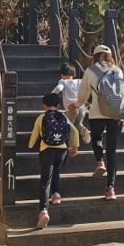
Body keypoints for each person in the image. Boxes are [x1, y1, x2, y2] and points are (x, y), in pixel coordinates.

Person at [68, 44, 123, 200]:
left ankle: (99, 161)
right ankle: (110, 189)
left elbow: (83, 95)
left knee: (97, 137)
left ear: (94, 57)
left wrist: (76, 105)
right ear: (110, 56)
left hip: (97, 113)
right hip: (116, 114)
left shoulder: (90, 71)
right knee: (112, 151)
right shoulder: (117, 70)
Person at [28, 93, 79, 228]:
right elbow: (75, 132)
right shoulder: (64, 117)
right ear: (58, 105)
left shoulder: (41, 117)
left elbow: (35, 133)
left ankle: (44, 210)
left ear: (44, 105)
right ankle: (56, 195)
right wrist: (75, 146)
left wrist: (30, 145)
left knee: (45, 180)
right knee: (56, 172)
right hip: (62, 150)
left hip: (46, 150)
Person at [52, 62, 91, 145]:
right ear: (74, 74)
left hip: (70, 109)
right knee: (78, 123)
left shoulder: (63, 81)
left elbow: (59, 88)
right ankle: (83, 129)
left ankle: (71, 145)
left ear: (62, 74)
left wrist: (52, 95)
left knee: (69, 126)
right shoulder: (80, 81)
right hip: (81, 108)